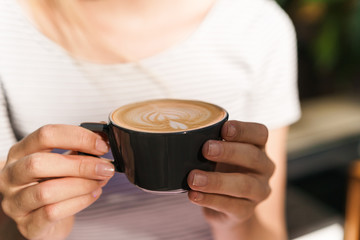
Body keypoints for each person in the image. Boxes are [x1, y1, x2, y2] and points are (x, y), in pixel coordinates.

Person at [0, 0, 301, 239]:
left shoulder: (258, 25)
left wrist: (237, 224)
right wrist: (34, 230)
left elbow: (270, 232)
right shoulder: (8, 26)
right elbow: (11, 221)